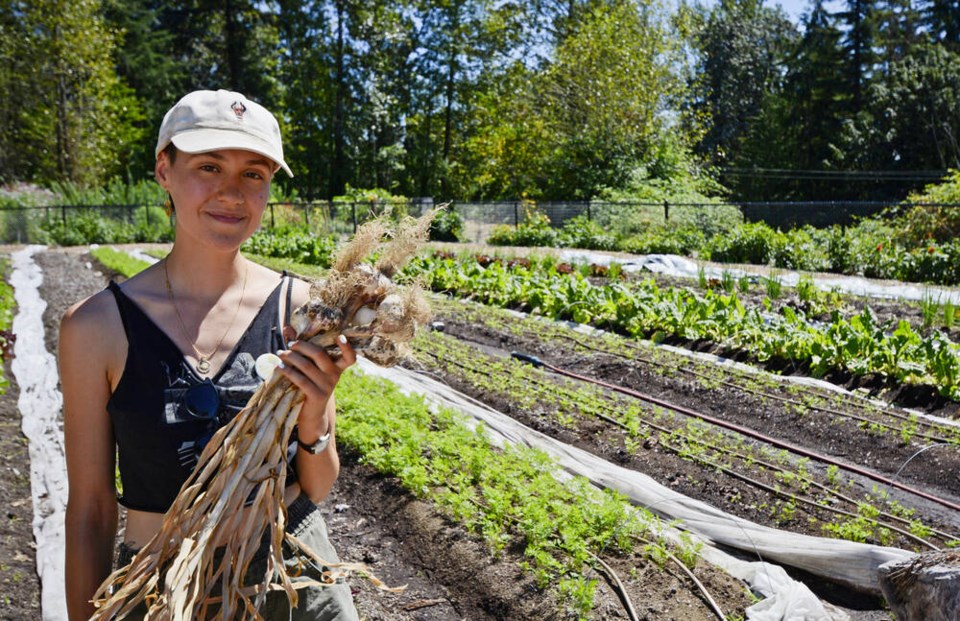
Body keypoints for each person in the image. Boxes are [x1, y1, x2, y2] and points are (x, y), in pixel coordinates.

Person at [59, 89, 360, 620]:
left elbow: (316, 484)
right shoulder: (95, 327)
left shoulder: (302, 307)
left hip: (289, 582)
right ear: (163, 170)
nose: (232, 193)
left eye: (254, 173)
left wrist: (315, 413)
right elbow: (91, 509)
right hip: (159, 588)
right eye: (209, 166)